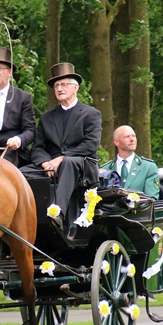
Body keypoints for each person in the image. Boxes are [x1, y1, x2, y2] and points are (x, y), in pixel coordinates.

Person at [20, 62, 101, 230]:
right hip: (50, 165)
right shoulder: (47, 117)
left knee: (68, 163)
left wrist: (61, 159)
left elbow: (90, 145)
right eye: (56, 85)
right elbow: (38, 147)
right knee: (19, 174)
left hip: (81, 164)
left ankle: (57, 213)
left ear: (75, 87)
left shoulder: (90, 114)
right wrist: (45, 163)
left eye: (64, 84)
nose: (59, 88)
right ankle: (21, 217)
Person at [99, 125, 159, 199]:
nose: (132, 139)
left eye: (133, 136)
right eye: (127, 137)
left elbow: (152, 199)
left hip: (139, 206)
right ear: (116, 142)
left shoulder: (148, 167)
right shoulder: (105, 169)